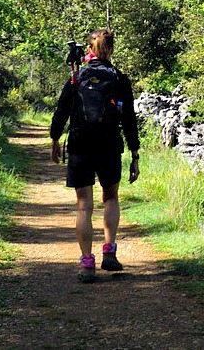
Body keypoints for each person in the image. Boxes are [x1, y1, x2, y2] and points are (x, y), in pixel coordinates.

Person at [49, 28, 140, 283]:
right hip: (109, 144)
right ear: (111, 49)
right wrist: (135, 153)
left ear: (89, 50)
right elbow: (129, 119)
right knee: (110, 197)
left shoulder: (77, 77)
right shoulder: (119, 79)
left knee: (83, 206)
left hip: (80, 144)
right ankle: (109, 252)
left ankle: (86, 263)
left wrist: (55, 139)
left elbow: (62, 110)